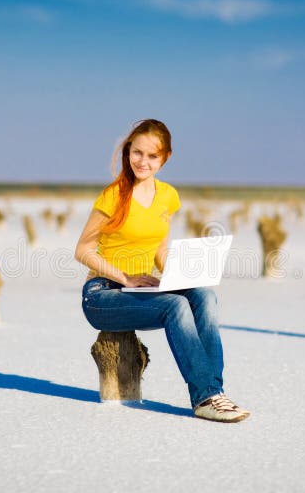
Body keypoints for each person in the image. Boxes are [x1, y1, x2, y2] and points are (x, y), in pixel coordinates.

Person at [74, 119, 250, 423]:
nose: (143, 161)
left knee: (203, 295)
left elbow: (159, 250)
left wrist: (182, 275)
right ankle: (204, 396)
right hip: (102, 295)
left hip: (141, 290)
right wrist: (126, 278)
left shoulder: (167, 196)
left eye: (152, 156)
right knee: (175, 305)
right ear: (128, 152)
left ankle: (216, 393)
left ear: (165, 157)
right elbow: (83, 251)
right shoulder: (113, 196)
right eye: (137, 152)